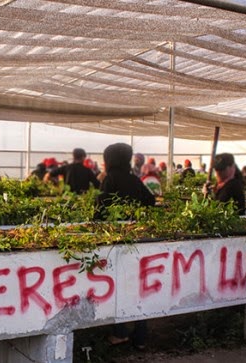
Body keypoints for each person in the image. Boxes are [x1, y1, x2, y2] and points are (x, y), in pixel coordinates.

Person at [96, 143, 155, 350]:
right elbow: (151, 201)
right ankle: (140, 336)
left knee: (118, 287)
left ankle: (120, 332)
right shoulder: (134, 179)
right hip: (136, 241)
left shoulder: (109, 180)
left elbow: (100, 211)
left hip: (116, 242)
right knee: (137, 288)